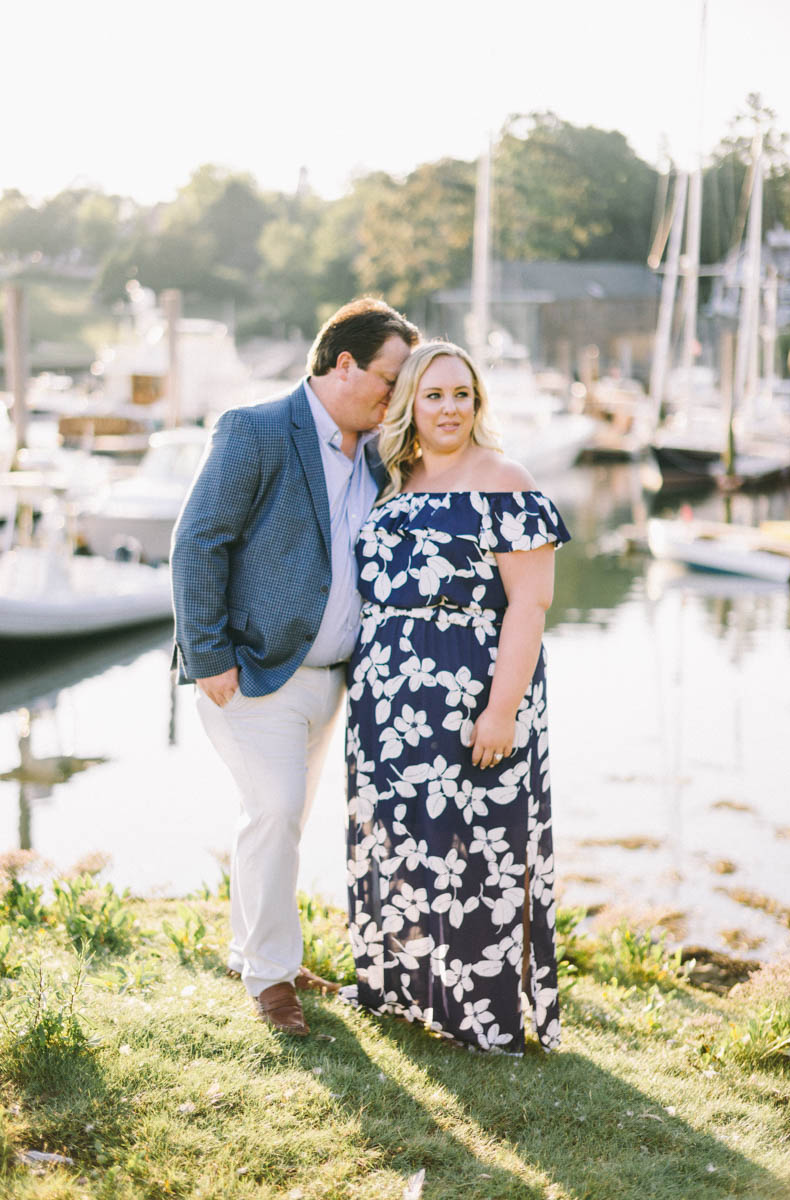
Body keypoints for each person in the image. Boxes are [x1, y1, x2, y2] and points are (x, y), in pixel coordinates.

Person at [170, 297, 419, 1036]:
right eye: (391, 379)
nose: (396, 398)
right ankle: (272, 982)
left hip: (331, 680)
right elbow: (197, 542)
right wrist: (210, 657)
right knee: (276, 809)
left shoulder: (374, 451)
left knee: (281, 817)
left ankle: (253, 947)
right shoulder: (256, 430)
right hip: (250, 672)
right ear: (343, 365)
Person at [342, 341, 570, 1053]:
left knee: (474, 857)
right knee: (403, 846)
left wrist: (500, 710)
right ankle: (405, 993)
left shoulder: (506, 480)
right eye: (434, 394)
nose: (449, 408)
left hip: (474, 692)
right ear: (410, 400)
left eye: (462, 394)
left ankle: (479, 1015)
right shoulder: (389, 482)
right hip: (386, 700)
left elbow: (529, 606)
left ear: (478, 403)